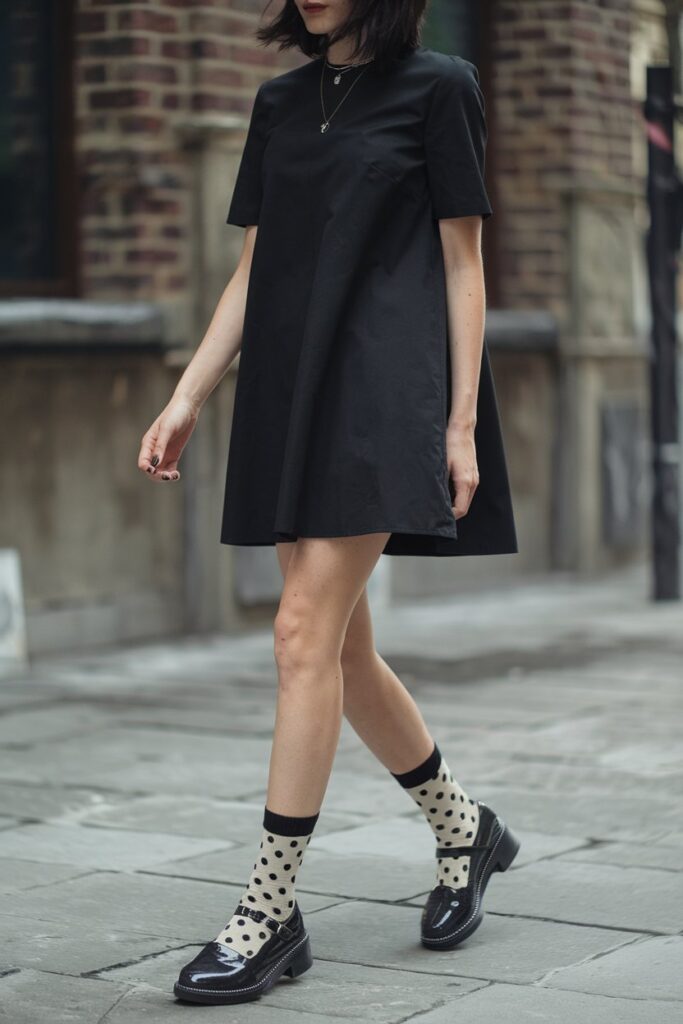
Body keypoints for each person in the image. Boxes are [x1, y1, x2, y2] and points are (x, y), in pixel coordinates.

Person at [137, 0, 520, 1007]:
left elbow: (463, 259)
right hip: (290, 389)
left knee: (300, 630)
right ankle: (462, 829)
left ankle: (268, 912)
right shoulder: (277, 103)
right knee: (337, 650)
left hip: (386, 388)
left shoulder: (440, 87)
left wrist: (458, 422)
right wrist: (187, 394)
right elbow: (255, 268)